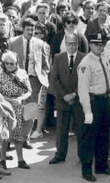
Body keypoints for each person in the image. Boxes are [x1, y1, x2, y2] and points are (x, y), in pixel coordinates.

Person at [77, 32, 110, 181]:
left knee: (104, 134)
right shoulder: (86, 64)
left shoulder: (104, 59)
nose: (100, 47)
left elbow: (109, 81)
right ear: (91, 45)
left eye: (102, 44)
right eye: (97, 45)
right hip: (93, 101)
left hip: (104, 100)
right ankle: (87, 169)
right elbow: (83, 90)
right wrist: (87, 111)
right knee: (89, 137)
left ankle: (102, 165)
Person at [48, 31, 84, 164]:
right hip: (62, 99)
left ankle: (82, 155)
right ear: (65, 44)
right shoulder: (58, 58)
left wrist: (74, 94)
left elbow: (85, 81)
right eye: (69, 44)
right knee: (61, 129)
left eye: (74, 44)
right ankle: (60, 155)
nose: (71, 47)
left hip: (78, 99)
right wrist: (64, 95)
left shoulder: (83, 58)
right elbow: (55, 78)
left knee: (81, 129)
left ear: (77, 44)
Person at [0, 50, 32, 172]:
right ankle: (3, 160)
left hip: (18, 108)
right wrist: (11, 100)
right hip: (5, 108)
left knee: (18, 135)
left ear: (17, 63)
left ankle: (20, 160)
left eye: (12, 63)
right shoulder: (0, 74)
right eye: (7, 63)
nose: (9, 66)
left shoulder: (22, 73)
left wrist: (20, 99)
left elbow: (29, 91)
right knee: (5, 135)